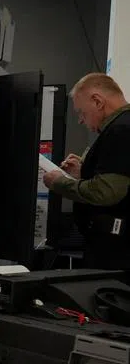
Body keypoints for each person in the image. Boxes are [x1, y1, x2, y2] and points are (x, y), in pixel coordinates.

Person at [44, 73, 130, 269]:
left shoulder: (121, 130)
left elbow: (105, 192)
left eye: (81, 113)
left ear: (97, 101)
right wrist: (84, 173)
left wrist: (59, 182)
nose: (81, 121)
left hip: (117, 254)